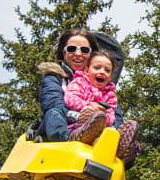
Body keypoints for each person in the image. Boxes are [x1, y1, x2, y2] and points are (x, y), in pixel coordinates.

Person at [32, 28, 139, 168]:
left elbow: (114, 112)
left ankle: (118, 149)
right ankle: (70, 139)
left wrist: (108, 125)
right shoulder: (54, 77)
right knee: (53, 114)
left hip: (97, 128)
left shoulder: (103, 86)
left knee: (119, 127)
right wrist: (84, 115)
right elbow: (53, 104)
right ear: (64, 53)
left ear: (91, 55)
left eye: (84, 50)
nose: (78, 54)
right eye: (72, 49)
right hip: (65, 127)